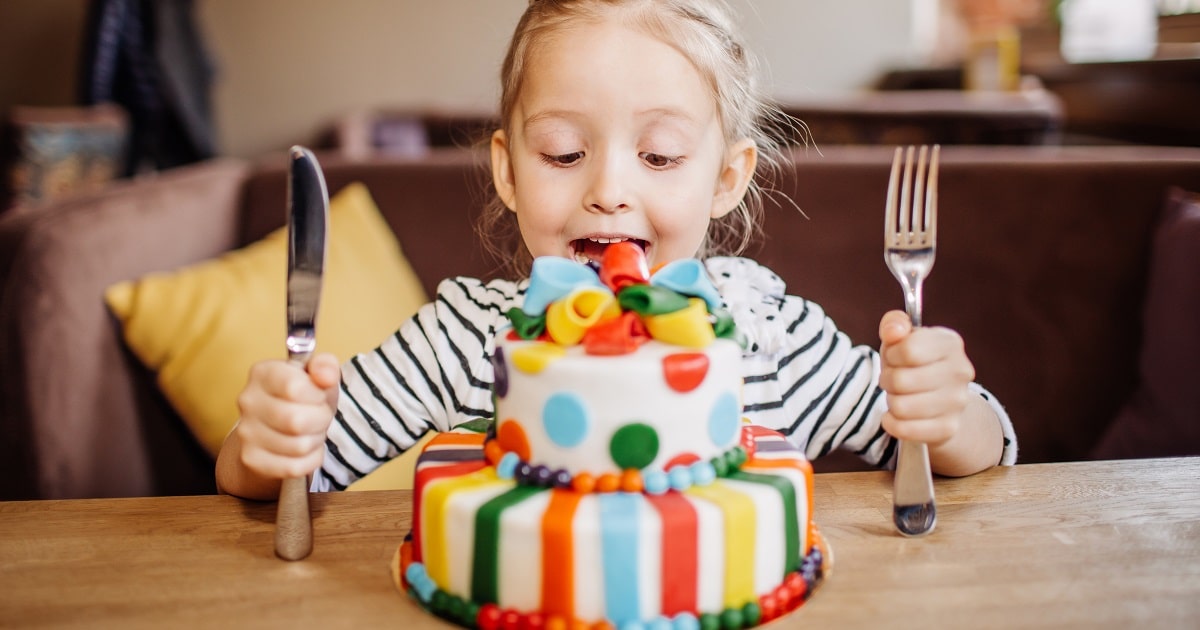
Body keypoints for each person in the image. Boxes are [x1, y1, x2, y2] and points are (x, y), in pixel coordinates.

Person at [216, 0, 1016, 500]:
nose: (609, 189)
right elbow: (288, 471)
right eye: (563, 153)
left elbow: (983, 446)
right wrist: (268, 440)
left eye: (661, 156)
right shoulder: (465, 338)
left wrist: (944, 414)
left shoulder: (770, 335)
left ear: (728, 177)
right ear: (508, 170)